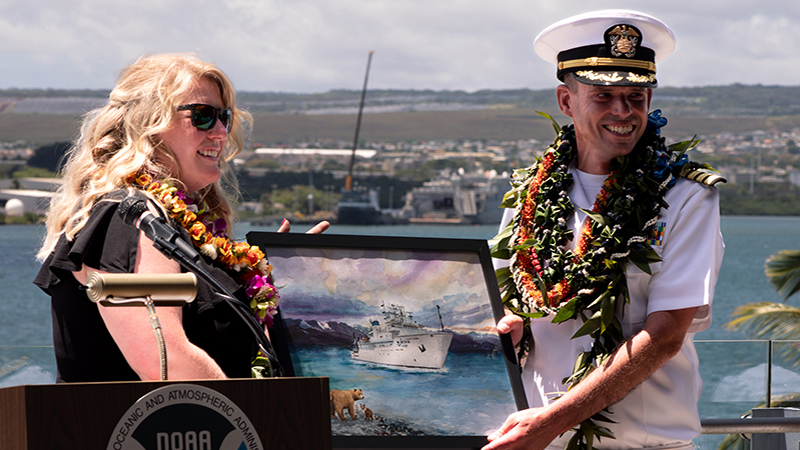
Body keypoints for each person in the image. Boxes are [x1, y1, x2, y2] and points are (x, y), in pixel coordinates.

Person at [486, 10, 724, 450]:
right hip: (533, 438)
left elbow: (666, 336)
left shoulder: (687, 198)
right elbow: (504, 307)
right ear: (565, 101)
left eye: (636, 95)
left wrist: (552, 422)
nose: (623, 111)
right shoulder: (529, 196)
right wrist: (511, 328)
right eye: (603, 95)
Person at [34, 53, 328, 383]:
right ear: (148, 123)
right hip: (149, 432)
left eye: (224, 118)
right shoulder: (126, 217)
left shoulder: (176, 230)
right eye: (202, 116)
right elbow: (165, 362)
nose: (220, 132)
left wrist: (280, 278)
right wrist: (258, 427)